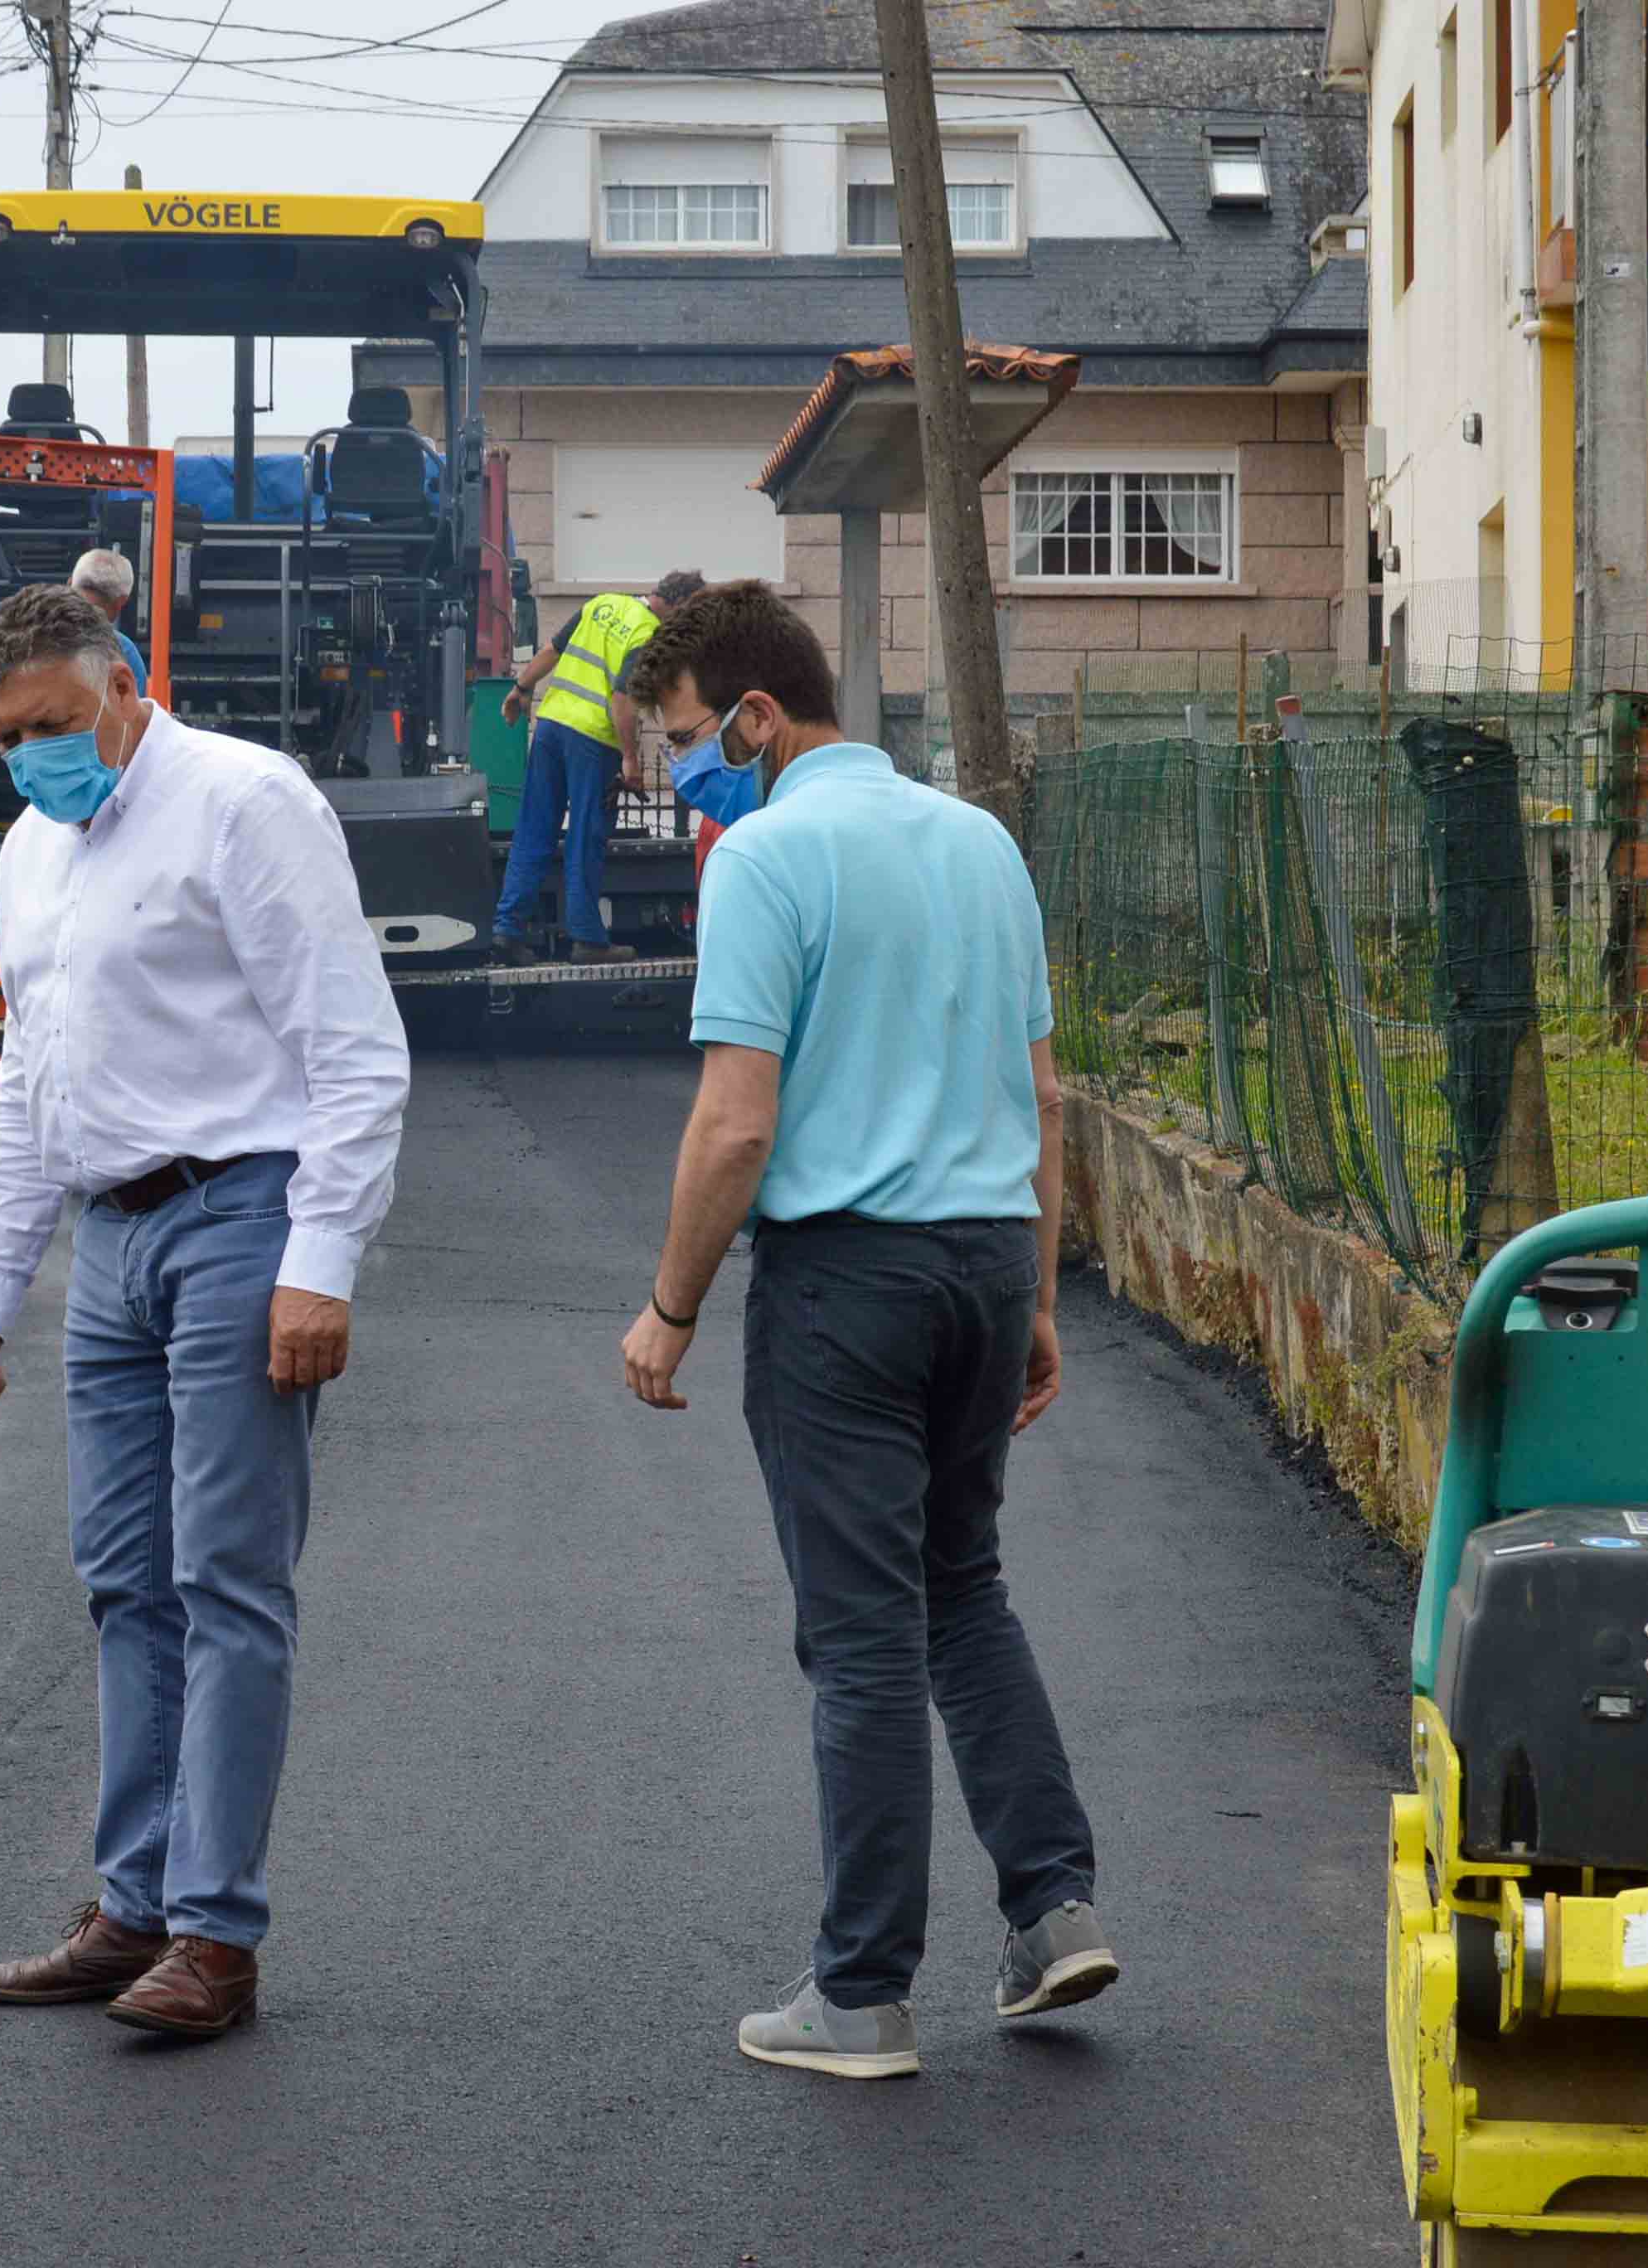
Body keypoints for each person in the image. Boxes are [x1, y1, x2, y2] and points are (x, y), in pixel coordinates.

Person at [612, 581, 1116, 2082]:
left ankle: (861, 1993)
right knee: (962, 1589)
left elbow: (733, 1125)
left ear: (760, 717)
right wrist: (1032, 1297)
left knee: (862, 1636)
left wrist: (671, 1305)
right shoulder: (980, 845)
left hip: (848, 1286)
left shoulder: (765, 857)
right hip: (973, 1267)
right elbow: (1037, 1094)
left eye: (691, 735)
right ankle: (1053, 1908)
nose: (682, 765)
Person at [0, 584, 410, 2043]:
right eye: (12, 740)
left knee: (228, 1581)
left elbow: (354, 1046)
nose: (38, 760)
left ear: (127, 687)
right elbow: (25, 1084)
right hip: (113, 1239)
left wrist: (320, 1258)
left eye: (60, 728)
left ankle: (214, 1933)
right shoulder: (29, 852)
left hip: (239, 1220)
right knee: (124, 1582)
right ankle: (130, 1907)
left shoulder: (245, 805)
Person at [490, 565, 705, 967]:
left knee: (533, 830)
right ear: (677, 607)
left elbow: (552, 651)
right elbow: (622, 700)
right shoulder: (648, 635)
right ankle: (587, 938)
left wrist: (521, 690)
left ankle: (507, 931)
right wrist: (630, 757)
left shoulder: (602, 603)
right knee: (585, 839)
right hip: (593, 740)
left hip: (552, 727)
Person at [69, 546, 152, 695]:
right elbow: (131, 715)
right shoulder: (124, 653)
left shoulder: (26, 636)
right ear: (121, 602)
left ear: (69, 584)